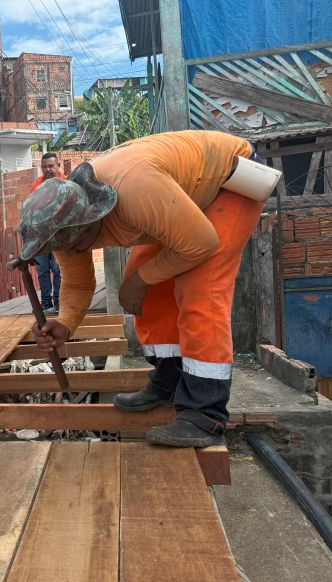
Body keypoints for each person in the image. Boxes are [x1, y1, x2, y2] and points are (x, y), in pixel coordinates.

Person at [18, 130, 264, 447]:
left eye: (71, 246)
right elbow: (78, 284)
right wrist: (65, 323)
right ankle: (168, 382)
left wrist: (139, 281)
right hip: (176, 195)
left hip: (231, 179)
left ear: (86, 223)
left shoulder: (135, 193)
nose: (67, 253)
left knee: (201, 288)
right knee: (149, 286)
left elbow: (201, 243)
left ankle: (204, 414)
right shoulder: (64, 227)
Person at [29, 152, 66, 314]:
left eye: (51, 166)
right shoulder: (36, 186)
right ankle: (46, 304)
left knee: (58, 269)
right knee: (42, 270)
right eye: (44, 167)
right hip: (40, 235)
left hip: (60, 235)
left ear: (59, 166)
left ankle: (58, 302)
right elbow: (31, 210)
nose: (48, 169)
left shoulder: (67, 183)